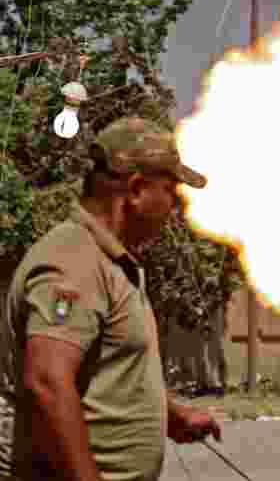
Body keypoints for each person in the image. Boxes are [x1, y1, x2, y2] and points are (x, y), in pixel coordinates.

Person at [0, 117, 221, 481]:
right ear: (135, 189)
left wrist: (170, 415)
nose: (176, 208)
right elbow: (47, 382)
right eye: (172, 192)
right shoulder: (71, 261)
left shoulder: (109, 263)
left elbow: (105, 368)